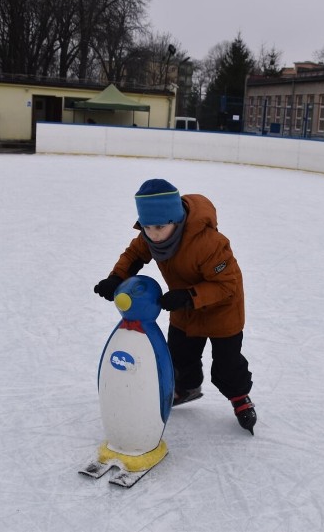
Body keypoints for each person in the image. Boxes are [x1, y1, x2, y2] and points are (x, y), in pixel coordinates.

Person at [92, 179, 257, 435]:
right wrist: (116, 278)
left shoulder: (209, 243)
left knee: (227, 364)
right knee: (180, 355)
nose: (153, 234)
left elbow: (227, 285)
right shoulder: (150, 236)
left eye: (159, 226)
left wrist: (189, 296)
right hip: (184, 307)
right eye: (147, 227)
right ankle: (188, 387)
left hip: (222, 309)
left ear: (176, 221)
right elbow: (133, 255)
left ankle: (239, 397)